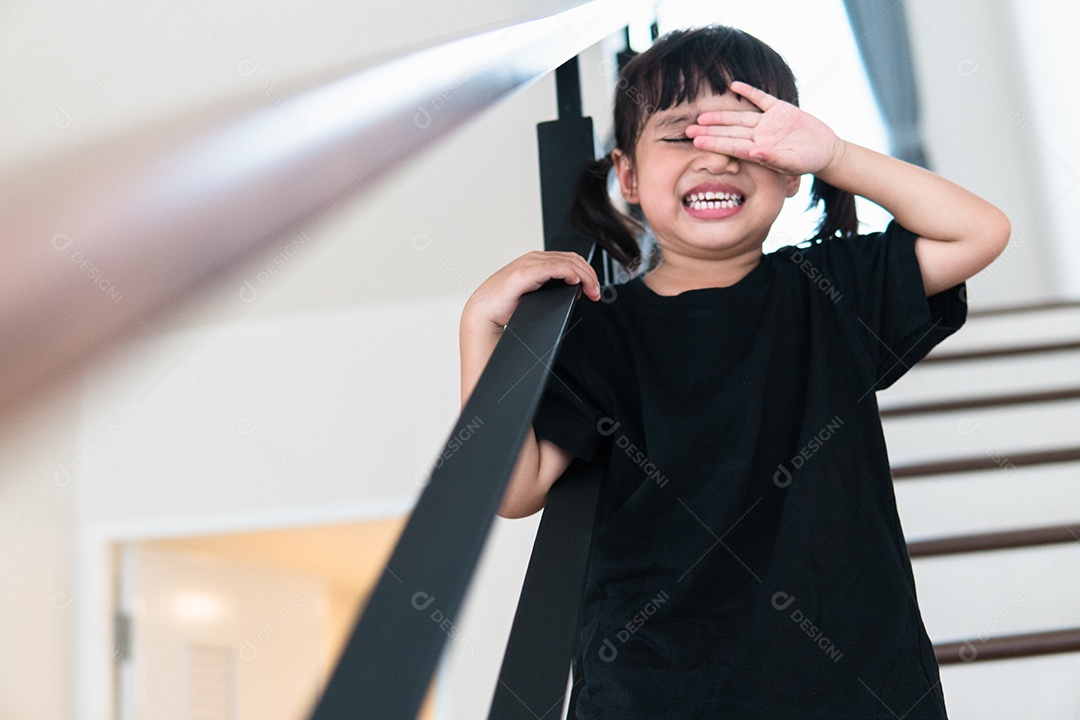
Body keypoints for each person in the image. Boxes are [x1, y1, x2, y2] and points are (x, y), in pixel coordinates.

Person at [459, 25, 1009, 719]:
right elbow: (513, 489)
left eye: (747, 138)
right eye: (681, 134)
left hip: (855, 684)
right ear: (626, 175)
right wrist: (479, 326)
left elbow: (978, 231)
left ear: (788, 173)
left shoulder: (828, 289)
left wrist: (836, 153)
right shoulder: (600, 328)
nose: (714, 157)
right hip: (654, 690)